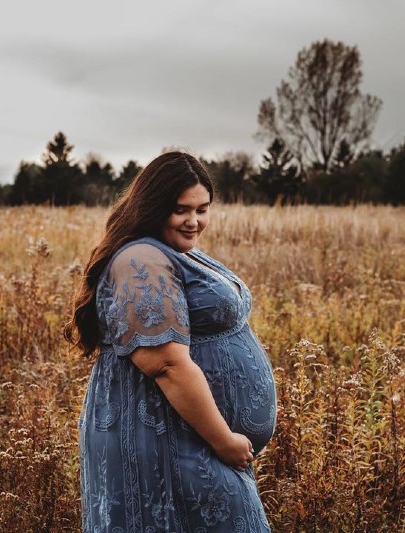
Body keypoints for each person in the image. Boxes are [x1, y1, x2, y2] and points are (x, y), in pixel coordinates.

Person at [66, 151, 276, 532]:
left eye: (203, 209)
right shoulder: (140, 260)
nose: (194, 221)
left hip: (189, 433)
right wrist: (224, 439)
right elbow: (166, 364)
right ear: (154, 207)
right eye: (181, 210)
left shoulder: (176, 251)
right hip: (163, 435)